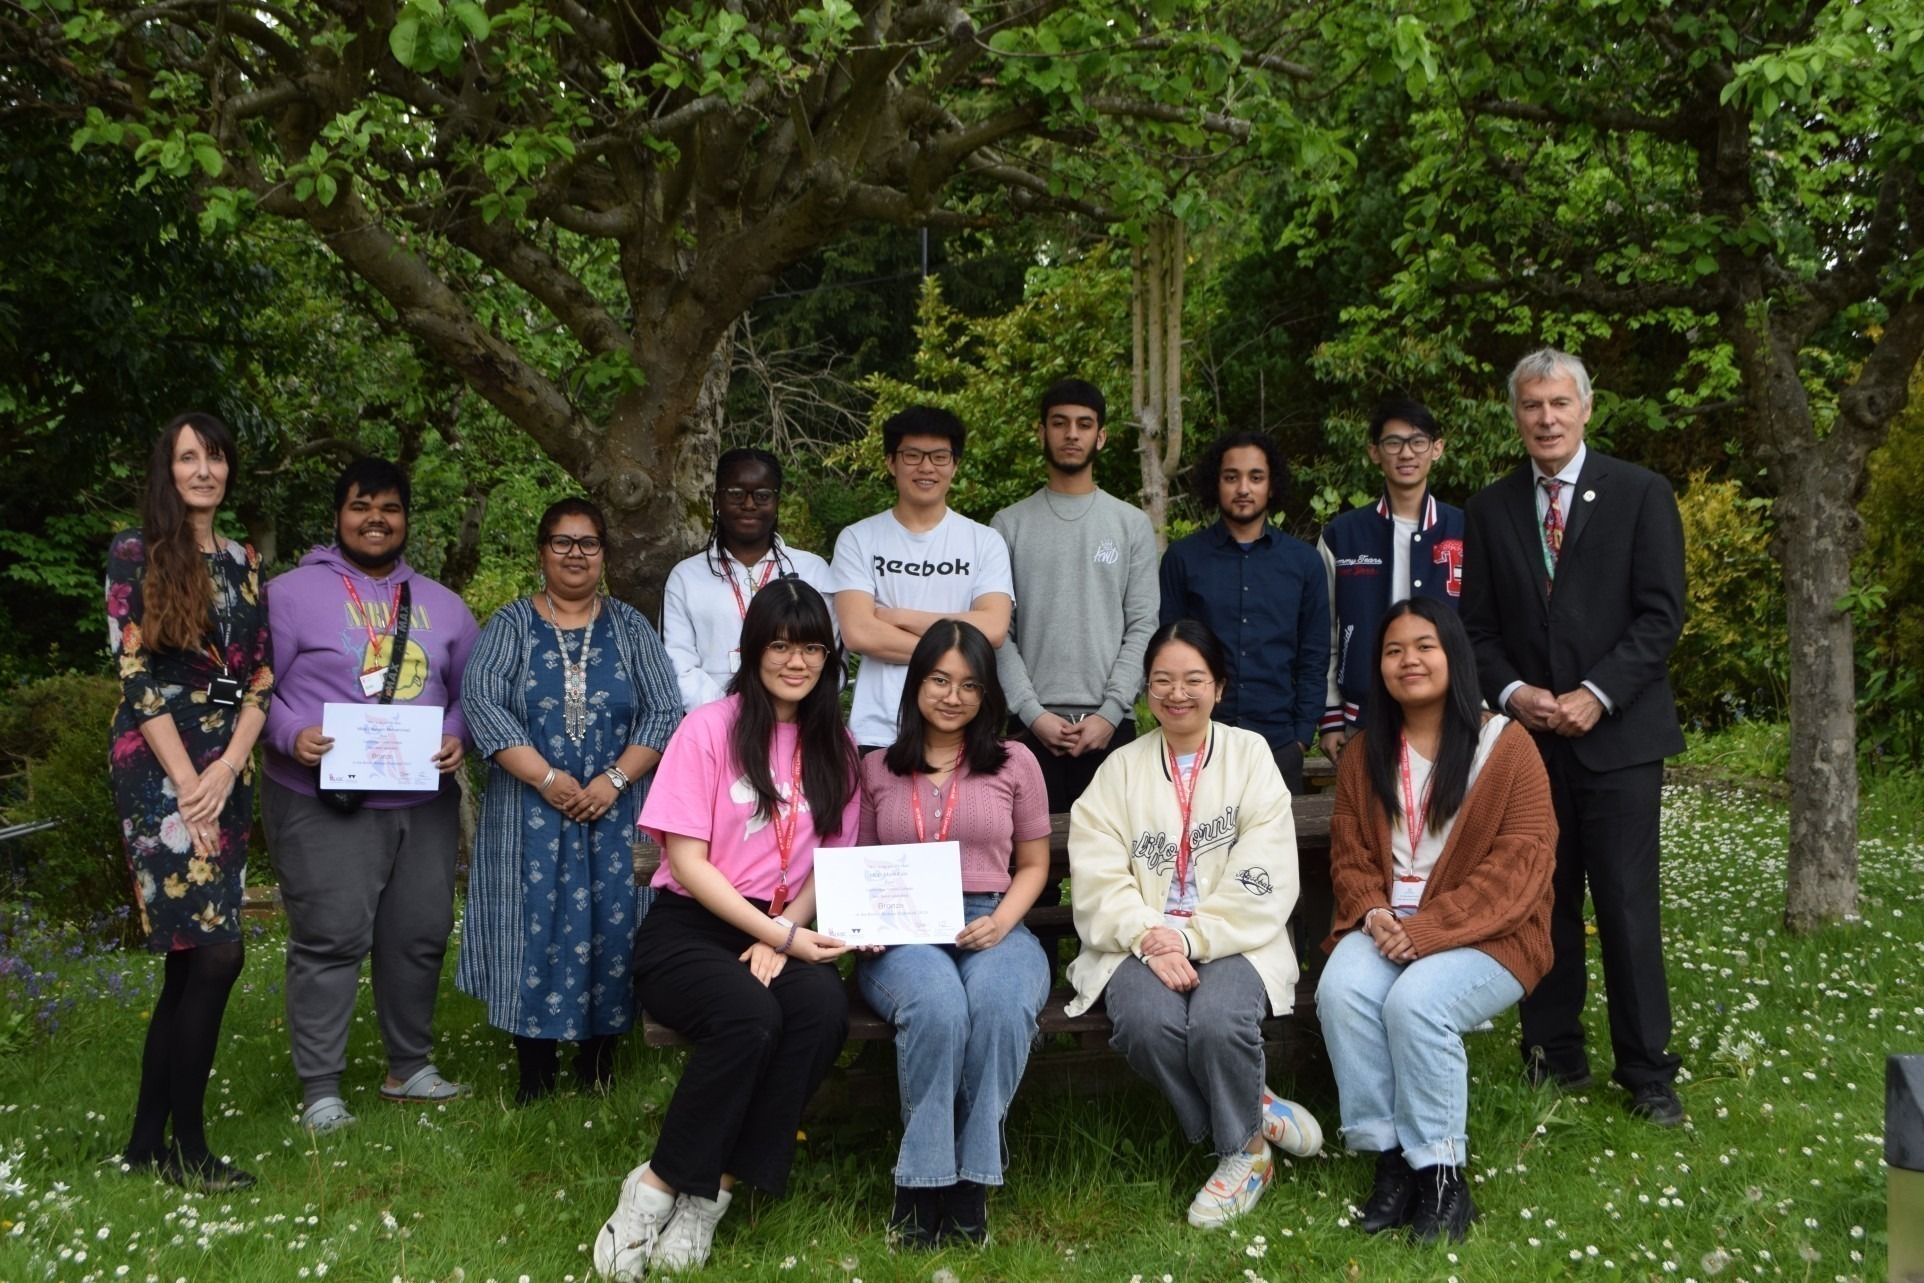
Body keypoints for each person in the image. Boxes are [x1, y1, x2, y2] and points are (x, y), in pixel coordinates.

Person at [595, 580, 859, 1281]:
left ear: (829, 657)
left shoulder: (839, 743)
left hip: (783, 922)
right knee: (748, 1016)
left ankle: (712, 1196)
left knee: (820, 1008)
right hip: (693, 925)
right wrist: (774, 935)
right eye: (780, 644)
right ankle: (652, 1189)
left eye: (810, 647)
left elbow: (828, 864)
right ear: (752, 650)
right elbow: (686, 858)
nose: (795, 661)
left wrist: (785, 932)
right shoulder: (709, 726)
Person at [1460, 347, 1688, 1126]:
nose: (1547, 418)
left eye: (1560, 403)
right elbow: (1476, 629)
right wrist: (1517, 694)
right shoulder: (1489, 510)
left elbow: (1661, 615)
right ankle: (1552, 1052)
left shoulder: (1640, 493)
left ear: (1587, 408)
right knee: (1539, 898)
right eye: (1532, 406)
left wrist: (1596, 694)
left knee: (1626, 905)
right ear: (1516, 415)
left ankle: (1648, 1072)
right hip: (1531, 743)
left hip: (1618, 737)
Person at [1066, 620, 1323, 1230]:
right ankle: (1251, 1128)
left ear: (1219, 686)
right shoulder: (1119, 770)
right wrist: (1148, 935)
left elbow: (1266, 871)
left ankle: (1239, 1151)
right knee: (1147, 1024)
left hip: (1233, 937)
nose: (1176, 694)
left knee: (1217, 1022)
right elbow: (1098, 870)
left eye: (1193, 680)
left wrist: (1190, 936)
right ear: (1145, 691)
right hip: (1138, 942)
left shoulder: (1250, 756)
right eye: (1162, 681)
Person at [1319, 599, 1556, 1243]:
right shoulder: (1366, 752)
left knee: (1417, 1002)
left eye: (1425, 646)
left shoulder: (1506, 749)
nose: (1409, 661)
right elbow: (1350, 854)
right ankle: (1392, 1160)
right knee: (1340, 989)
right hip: (1388, 922)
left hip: (1491, 935)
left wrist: (1424, 931)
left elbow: (1519, 870)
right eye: (1393, 651)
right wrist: (1374, 911)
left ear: (1454, 655)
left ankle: (1445, 1177)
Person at [261, 458, 481, 1134]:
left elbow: (472, 692)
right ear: (338, 515)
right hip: (324, 799)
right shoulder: (289, 594)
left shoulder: (444, 604)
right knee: (329, 938)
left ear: (407, 518)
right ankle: (321, 1090)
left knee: (417, 934)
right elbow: (249, 688)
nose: (375, 519)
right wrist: (290, 732)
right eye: (361, 506)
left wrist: (456, 736)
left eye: (389, 507)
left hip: (421, 799)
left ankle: (408, 1067)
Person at [458, 499, 682, 1104]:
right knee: (534, 928)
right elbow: (483, 703)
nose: (575, 554)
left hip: (615, 811)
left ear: (604, 554)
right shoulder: (508, 626)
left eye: (588, 543)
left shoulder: (632, 628)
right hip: (529, 814)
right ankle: (533, 1077)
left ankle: (599, 1069)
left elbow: (664, 710)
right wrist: (546, 778)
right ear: (541, 551)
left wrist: (613, 778)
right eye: (562, 542)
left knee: (614, 925)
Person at [106, 413, 272, 1192]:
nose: (203, 468)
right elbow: (137, 678)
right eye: (187, 456)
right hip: (159, 767)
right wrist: (187, 785)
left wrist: (230, 767)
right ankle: (189, 1149)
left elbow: (260, 677)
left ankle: (145, 1142)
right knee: (215, 953)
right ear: (166, 468)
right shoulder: (135, 552)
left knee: (189, 961)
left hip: (224, 768)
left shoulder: (244, 559)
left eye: (214, 455)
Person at [857, 620, 1052, 1247]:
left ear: (986, 694)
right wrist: (861, 924)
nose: (952, 695)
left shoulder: (1015, 761)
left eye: (969, 684)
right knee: (938, 1006)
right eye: (939, 680)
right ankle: (921, 1185)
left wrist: (1001, 921)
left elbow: (1035, 863)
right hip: (904, 931)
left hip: (993, 917)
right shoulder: (878, 768)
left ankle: (970, 1183)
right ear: (917, 684)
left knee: (998, 1005)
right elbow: (861, 862)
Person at [991, 378, 1158, 812]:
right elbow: (997, 633)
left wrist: (1110, 712)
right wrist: (1031, 712)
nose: (1071, 434)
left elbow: (1143, 625)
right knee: (1033, 869)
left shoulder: (1130, 524)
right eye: (1059, 423)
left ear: (1100, 436)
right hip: (1029, 728)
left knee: (1109, 871)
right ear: (1041, 432)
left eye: (1084, 425)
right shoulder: (1008, 525)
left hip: (1111, 727)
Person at [829, 406, 1014, 752]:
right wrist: (957, 655)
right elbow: (858, 632)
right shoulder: (858, 539)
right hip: (880, 730)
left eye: (940, 456)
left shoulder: (984, 541)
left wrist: (898, 617)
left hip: (961, 728)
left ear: (955, 464)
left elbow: (993, 627)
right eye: (912, 455)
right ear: (890, 462)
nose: (926, 467)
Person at [1160, 433, 1330, 794]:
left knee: (1276, 850)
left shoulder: (1304, 563)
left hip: (1279, 745)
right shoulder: (1182, 558)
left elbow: (1313, 658)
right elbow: (1168, 655)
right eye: (1231, 476)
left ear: (1272, 485)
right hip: (1198, 742)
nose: (1243, 488)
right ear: (1215, 482)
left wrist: (1300, 737)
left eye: (1256, 477)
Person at [1317, 396, 1465, 759]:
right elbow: (1326, 634)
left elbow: (1485, 626)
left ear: (1437, 449)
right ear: (1374, 452)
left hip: (1453, 714)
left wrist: (1480, 702)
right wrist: (1331, 715)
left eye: (1418, 442)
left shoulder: (1467, 529)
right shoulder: (1342, 535)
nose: (1406, 453)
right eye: (1393, 443)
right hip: (1364, 716)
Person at [662, 448, 836, 713]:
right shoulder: (686, 577)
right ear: (717, 499)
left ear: (777, 501)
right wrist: (731, 713)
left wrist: (783, 711)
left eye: (763, 495)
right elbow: (678, 665)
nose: (749, 504)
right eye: (736, 493)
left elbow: (828, 655)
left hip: (798, 720)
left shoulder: (812, 570)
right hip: (712, 724)